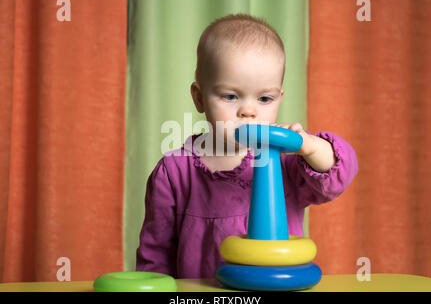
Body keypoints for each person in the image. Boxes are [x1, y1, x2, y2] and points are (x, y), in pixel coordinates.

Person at [136, 14, 358, 278]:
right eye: (230, 96)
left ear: (279, 98)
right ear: (199, 98)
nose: (249, 111)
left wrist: (308, 146)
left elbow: (339, 173)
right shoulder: (174, 172)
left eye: (265, 98)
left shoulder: (286, 162)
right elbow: (155, 255)